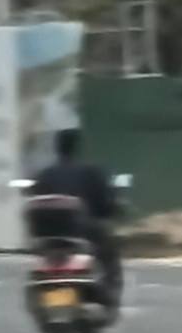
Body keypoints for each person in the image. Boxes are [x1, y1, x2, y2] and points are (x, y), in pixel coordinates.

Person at [25, 125, 123, 315]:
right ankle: (110, 292)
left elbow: (32, 205)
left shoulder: (45, 175)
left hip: (47, 237)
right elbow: (106, 204)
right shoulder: (90, 173)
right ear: (77, 147)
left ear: (56, 148)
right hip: (82, 232)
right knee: (109, 252)